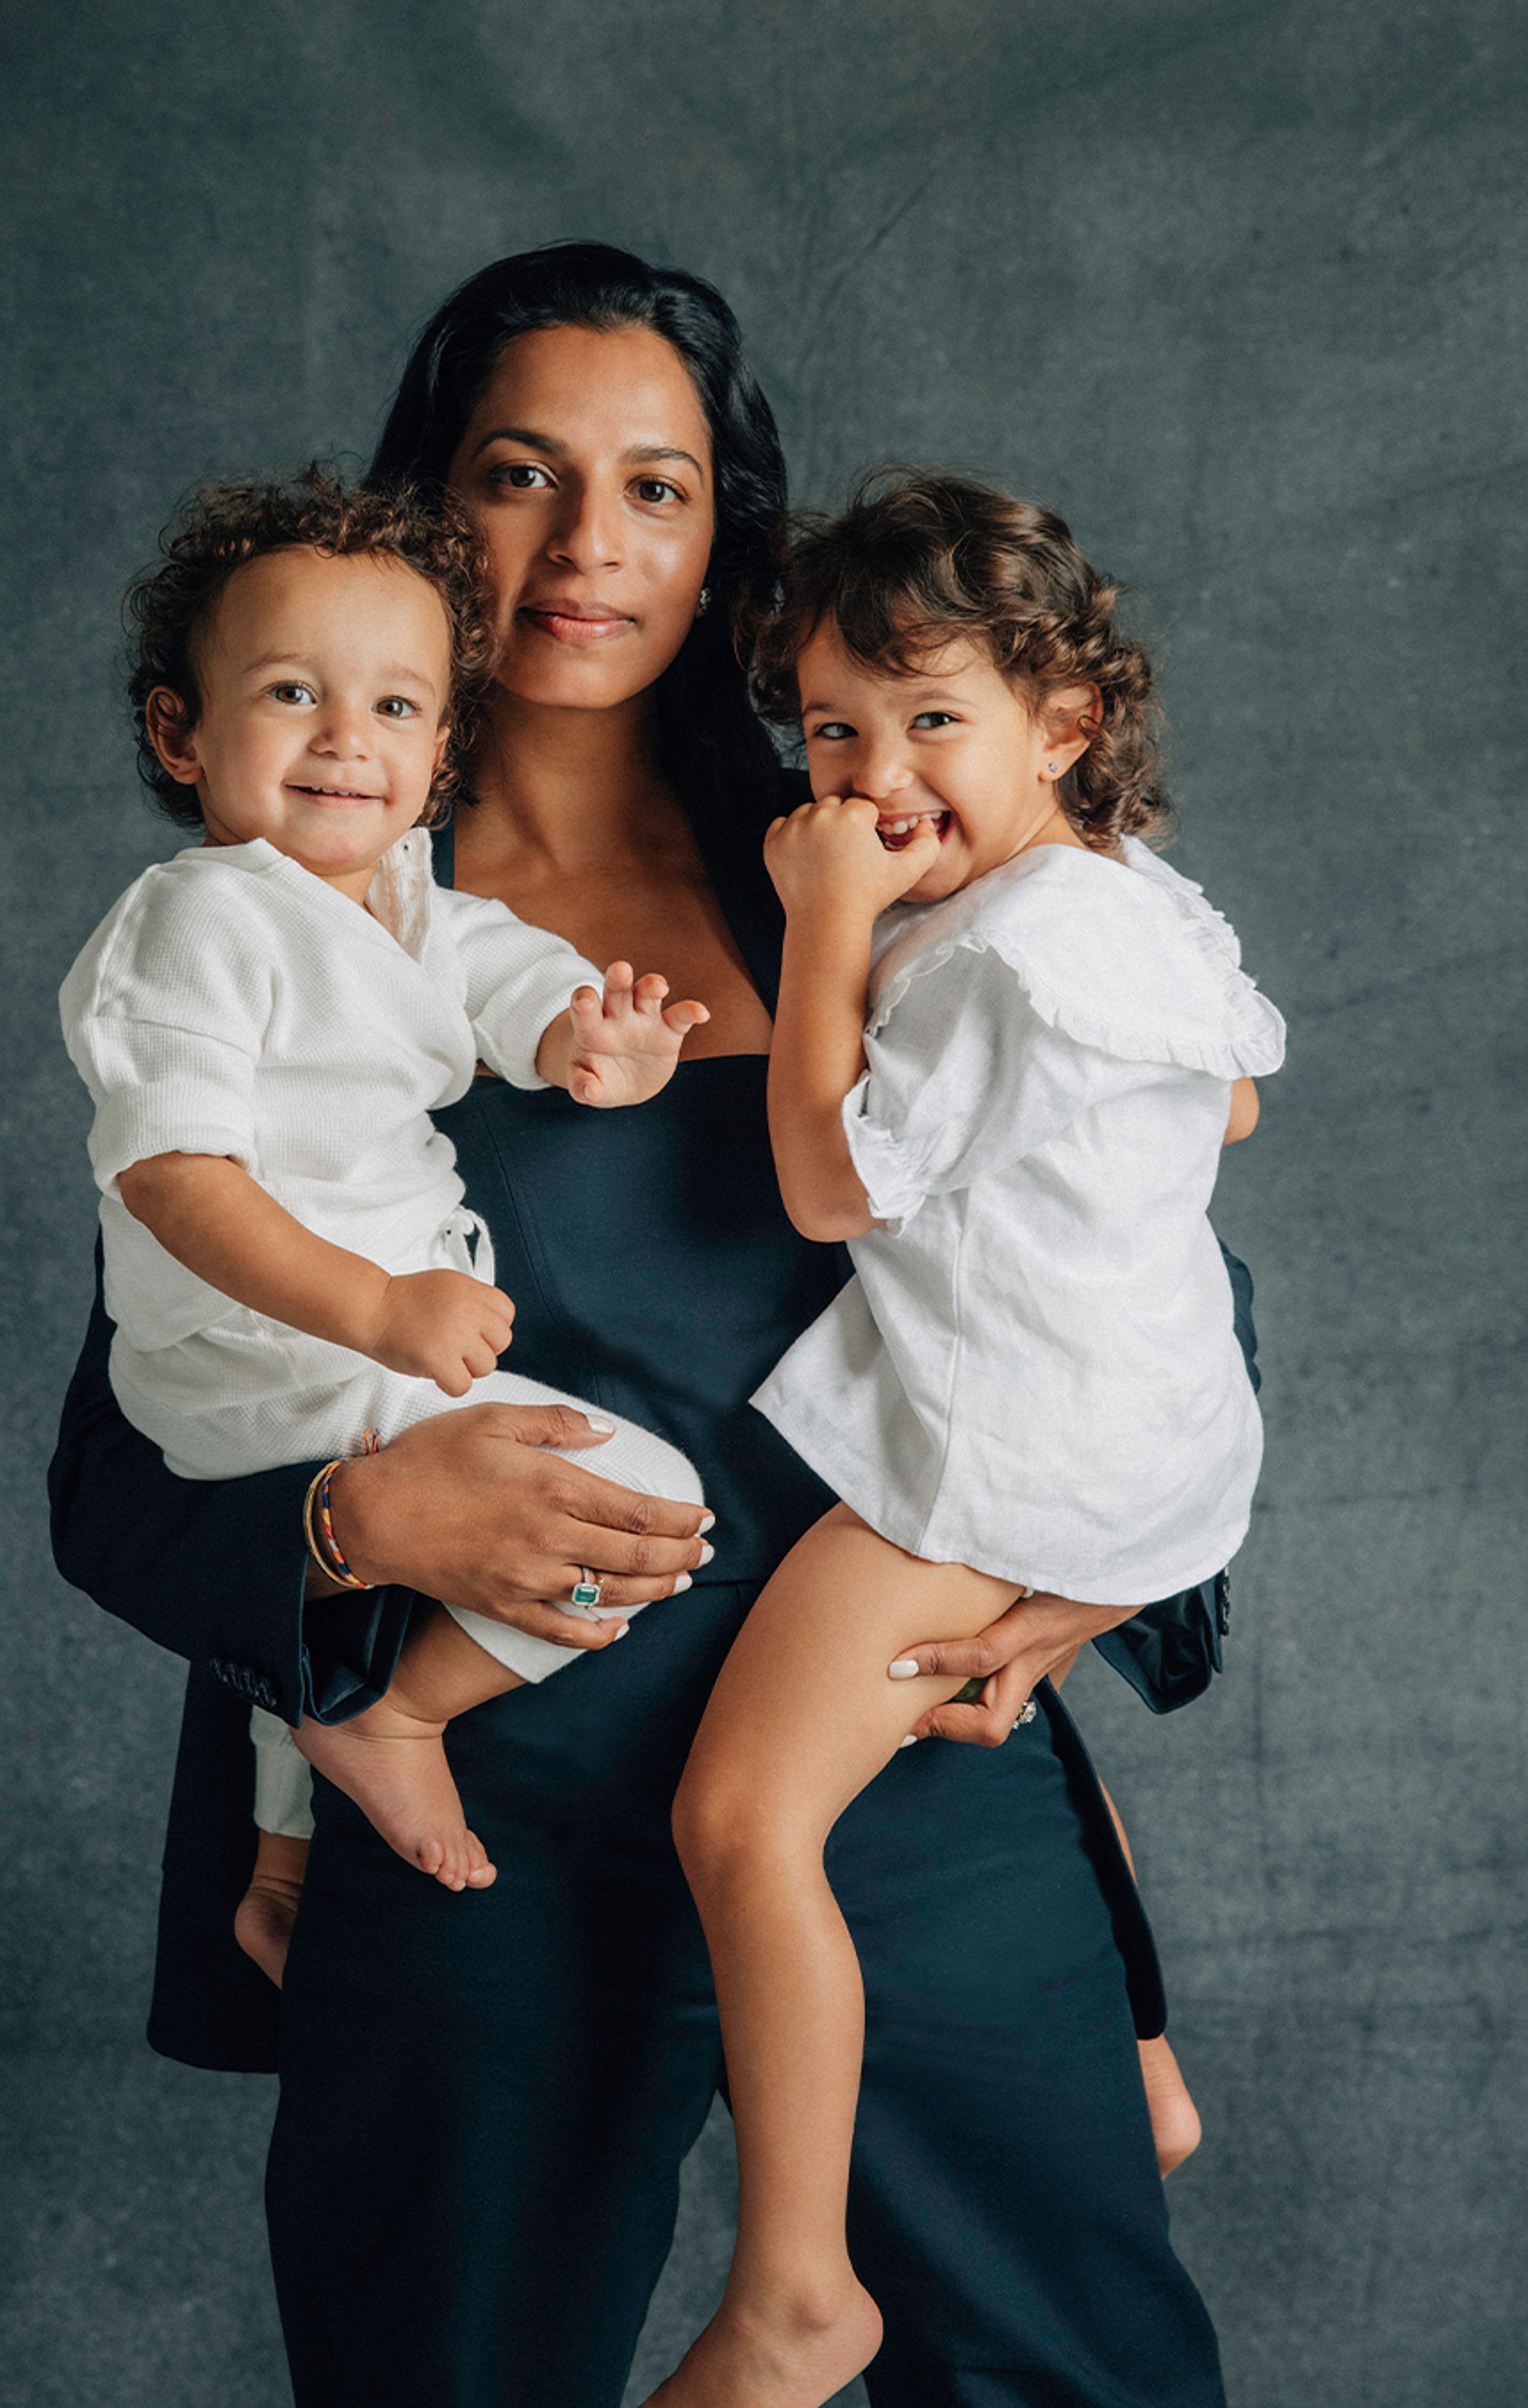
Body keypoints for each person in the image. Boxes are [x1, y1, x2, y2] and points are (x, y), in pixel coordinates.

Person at [49, 241, 1240, 2407]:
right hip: (490, 1821)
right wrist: (351, 1540)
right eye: (518, 474)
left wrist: (1087, 1596)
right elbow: (126, 1466)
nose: (588, 544)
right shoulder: (295, 932)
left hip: (896, 1784)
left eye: (658, 490)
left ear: (730, 551)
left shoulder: (888, 869)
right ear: (431, 518)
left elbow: (1141, 1280)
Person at [649, 471, 1284, 2407]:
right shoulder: (1110, 900)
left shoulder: (991, 950)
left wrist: (826, 922)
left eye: (932, 722)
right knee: (971, 1735)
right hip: (1145, 1429)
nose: (872, 771)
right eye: (832, 729)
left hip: (1014, 1439)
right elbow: (1233, 1109)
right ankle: (1134, 2071)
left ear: (1060, 724)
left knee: (742, 1818)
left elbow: (830, 1188)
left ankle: (795, 2291)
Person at [59, 469, 707, 1967]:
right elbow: (170, 1177)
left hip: (348, 1347)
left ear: (440, 744)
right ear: (181, 731)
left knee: (424, 1564)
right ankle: (395, 1713)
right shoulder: (202, 917)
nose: (350, 738)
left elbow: (509, 975)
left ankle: (284, 1858)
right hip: (268, 1347)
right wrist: (376, 1308)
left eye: (399, 708)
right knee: (642, 1496)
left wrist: (588, 1042)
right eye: (293, 692)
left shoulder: (403, 898)